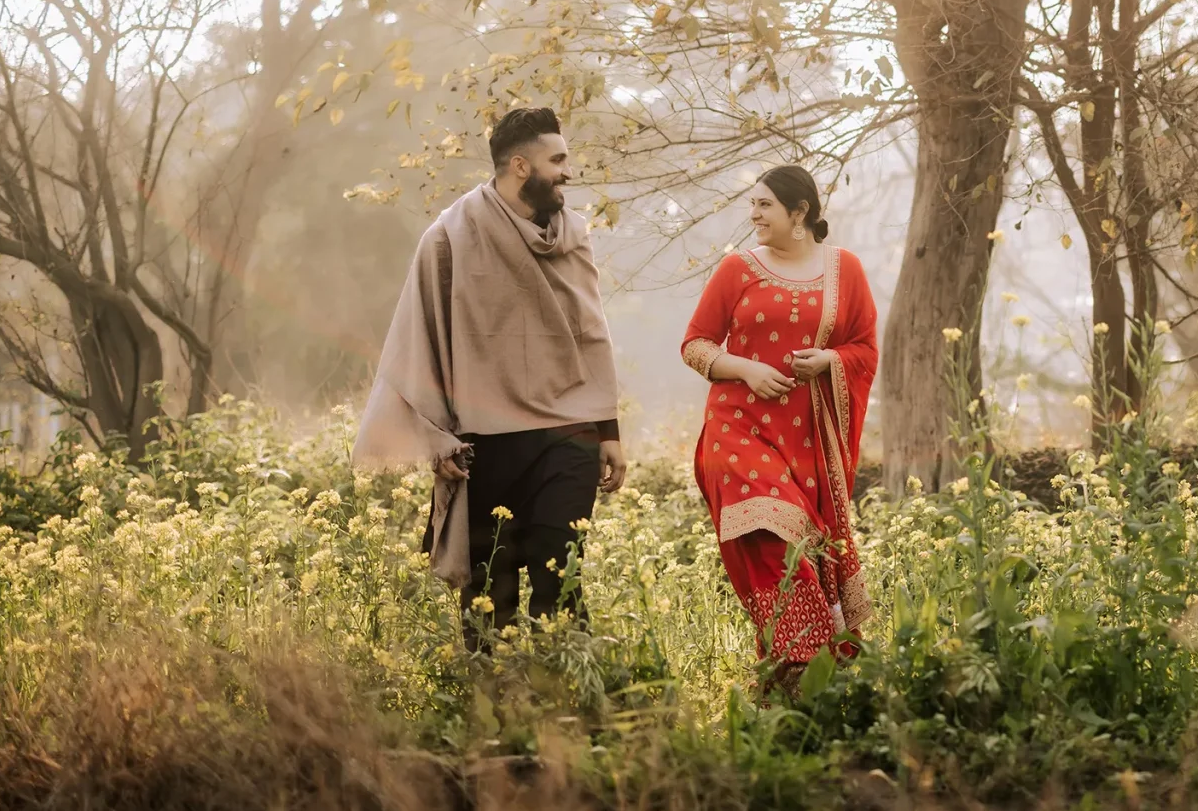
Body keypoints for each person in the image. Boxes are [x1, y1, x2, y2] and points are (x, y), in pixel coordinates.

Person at [354, 106, 626, 639]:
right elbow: (416, 341)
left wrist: (608, 430)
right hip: (486, 438)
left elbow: (591, 333)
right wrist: (436, 438)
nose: (569, 171)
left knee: (560, 578)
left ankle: (573, 706)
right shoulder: (449, 235)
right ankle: (494, 712)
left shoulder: (573, 234)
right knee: (488, 595)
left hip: (569, 431)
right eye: (558, 160)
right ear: (521, 166)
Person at [680, 165, 877, 687]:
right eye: (753, 204)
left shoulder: (845, 271)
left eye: (765, 205)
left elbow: (864, 349)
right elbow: (696, 344)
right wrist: (745, 368)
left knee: (804, 548)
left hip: (806, 437)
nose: (754, 215)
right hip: (736, 426)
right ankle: (803, 658)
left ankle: (794, 675)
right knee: (766, 534)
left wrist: (829, 362)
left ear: (800, 212)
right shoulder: (736, 269)